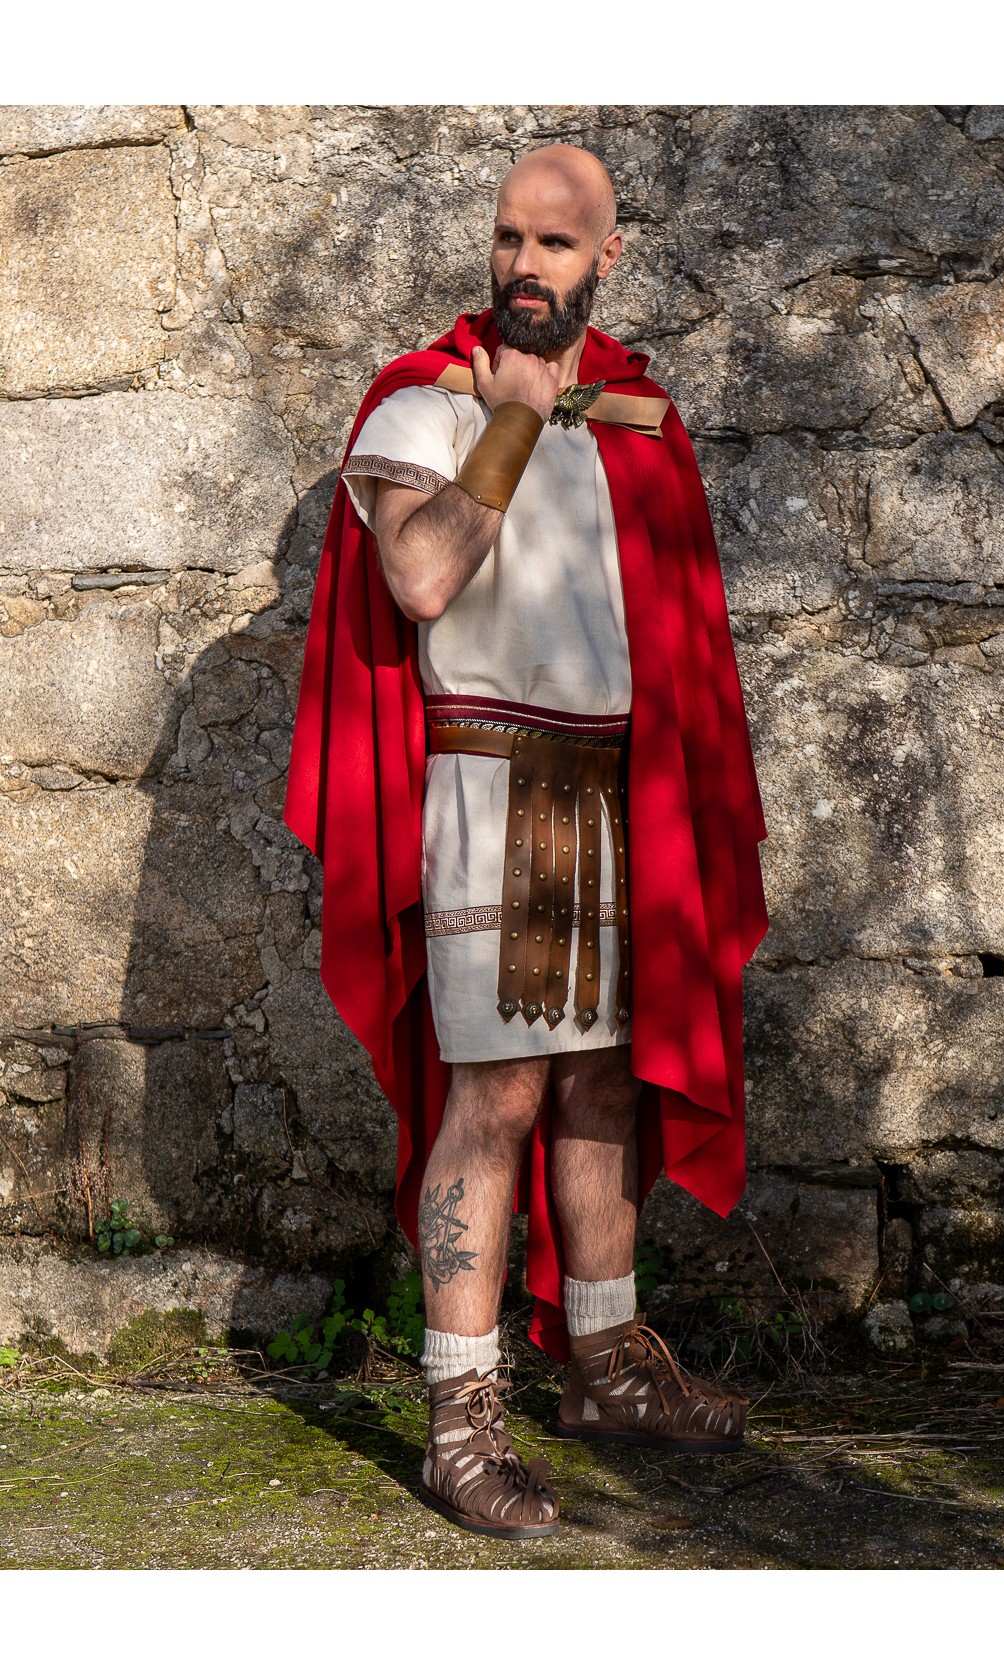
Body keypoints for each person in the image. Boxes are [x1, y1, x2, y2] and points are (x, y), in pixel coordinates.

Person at [284, 143, 769, 1539]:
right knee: (492, 1099)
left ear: (606, 257)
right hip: (487, 795)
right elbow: (423, 576)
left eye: (555, 244)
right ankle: (459, 1418)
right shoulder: (421, 404)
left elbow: (676, 640)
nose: (524, 266)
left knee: (605, 1084)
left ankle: (607, 1366)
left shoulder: (637, 423)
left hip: (621, 800)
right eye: (508, 238)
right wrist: (507, 420)